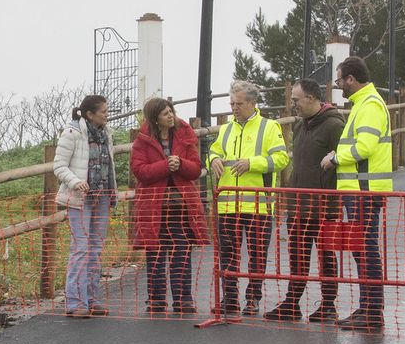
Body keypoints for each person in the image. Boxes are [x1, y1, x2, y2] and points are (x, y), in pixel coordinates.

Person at [208, 80, 291, 319]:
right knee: (229, 255)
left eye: (239, 103)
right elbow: (214, 150)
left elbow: (281, 159)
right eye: (232, 103)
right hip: (228, 205)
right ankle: (230, 299)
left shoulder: (269, 127)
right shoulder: (226, 129)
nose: (234, 107)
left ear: (253, 103)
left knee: (256, 255)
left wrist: (252, 163)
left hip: (258, 207)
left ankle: (252, 299)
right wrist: (212, 159)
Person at [322, 57, 392, 332]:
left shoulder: (370, 105)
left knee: (365, 250)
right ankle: (367, 308)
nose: (339, 87)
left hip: (364, 191)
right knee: (362, 251)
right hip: (359, 191)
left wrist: (336, 158)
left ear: (351, 79)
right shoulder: (365, 104)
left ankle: (372, 311)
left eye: (339, 81)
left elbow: (364, 147)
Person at [265, 78, 344, 323]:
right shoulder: (300, 125)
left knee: (326, 256)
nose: (293, 104)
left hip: (324, 205)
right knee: (297, 255)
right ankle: (292, 302)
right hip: (298, 204)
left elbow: (342, 160)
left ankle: (328, 304)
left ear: (311, 98)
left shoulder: (334, 126)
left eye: (297, 100)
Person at [130, 98, 209, 315]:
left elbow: (195, 169)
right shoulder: (142, 141)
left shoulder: (185, 134)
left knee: (181, 252)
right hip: (153, 208)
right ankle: (156, 300)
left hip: (181, 207)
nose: (170, 116)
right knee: (155, 253)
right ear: (155, 118)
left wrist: (181, 164)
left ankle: (184, 299)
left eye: (171, 111)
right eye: (165, 113)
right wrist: (167, 165)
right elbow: (140, 171)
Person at [54, 94, 119, 317]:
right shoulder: (71, 134)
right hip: (80, 199)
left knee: (96, 249)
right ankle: (74, 302)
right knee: (80, 248)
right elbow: (59, 166)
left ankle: (92, 298)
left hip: (101, 197)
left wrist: (112, 194)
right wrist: (75, 181)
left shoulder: (106, 135)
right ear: (90, 114)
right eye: (103, 111)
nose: (107, 115)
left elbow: (108, 167)